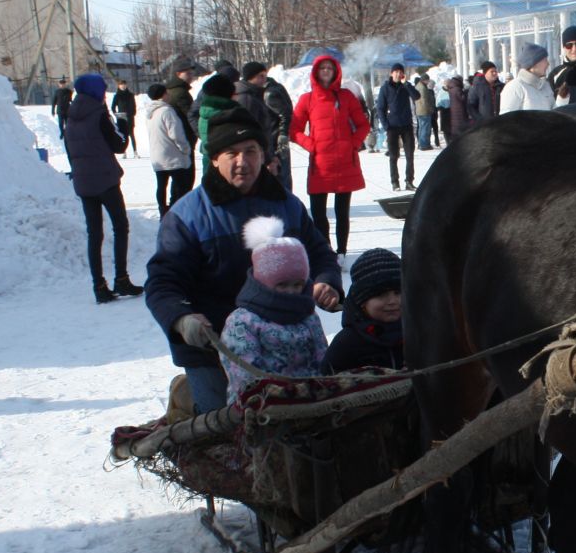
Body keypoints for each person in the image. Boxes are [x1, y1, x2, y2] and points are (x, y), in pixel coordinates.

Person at [146, 114, 342, 414]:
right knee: (225, 431)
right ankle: (187, 399)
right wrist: (180, 318)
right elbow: (163, 281)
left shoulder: (287, 205)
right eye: (231, 153)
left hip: (286, 340)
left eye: (251, 150)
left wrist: (326, 279)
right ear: (213, 160)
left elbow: (319, 252)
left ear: (263, 154)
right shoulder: (187, 216)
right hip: (212, 347)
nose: (243, 161)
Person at [219, 216, 330, 401]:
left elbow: (322, 358)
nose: (291, 292)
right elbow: (245, 377)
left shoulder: (307, 313)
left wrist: (327, 388)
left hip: (313, 403)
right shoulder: (243, 322)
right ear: (263, 281)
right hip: (263, 408)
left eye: (297, 284)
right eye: (282, 284)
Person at [62, 73, 140, 303]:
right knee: (120, 227)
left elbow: (70, 152)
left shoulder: (70, 117)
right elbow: (118, 145)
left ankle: (99, 285)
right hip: (106, 180)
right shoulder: (98, 114)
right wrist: (124, 125)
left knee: (94, 233)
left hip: (84, 182)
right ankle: (121, 279)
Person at [287, 54, 369, 255]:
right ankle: (325, 250)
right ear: (316, 72)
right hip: (320, 164)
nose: (325, 71)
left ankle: (342, 251)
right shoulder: (307, 99)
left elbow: (363, 124)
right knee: (318, 212)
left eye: (329, 68)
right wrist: (311, 144)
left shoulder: (346, 96)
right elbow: (294, 129)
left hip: (344, 161)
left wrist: (353, 143)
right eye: (322, 68)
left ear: (335, 72)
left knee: (342, 212)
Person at [325, 247, 404, 373]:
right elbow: (328, 382)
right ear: (362, 302)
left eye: (398, 292)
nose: (393, 301)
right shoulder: (346, 344)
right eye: (381, 294)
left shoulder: (417, 333)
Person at [138, 81, 195, 213]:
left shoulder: (149, 113)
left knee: (161, 185)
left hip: (157, 155)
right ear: (163, 95)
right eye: (166, 93)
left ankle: (162, 210)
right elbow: (176, 134)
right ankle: (176, 211)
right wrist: (185, 149)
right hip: (172, 156)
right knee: (179, 186)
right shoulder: (167, 111)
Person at [240, 61, 294, 184]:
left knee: (280, 177)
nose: (264, 78)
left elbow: (285, 114)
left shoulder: (269, 93)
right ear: (250, 78)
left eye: (264, 75)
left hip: (274, 142)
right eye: (260, 76)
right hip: (267, 143)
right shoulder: (254, 93)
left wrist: (283, 134)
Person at [376, 62, 418, 191]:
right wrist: (386, 125)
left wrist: (407, 84)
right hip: (392, 126)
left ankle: (409, 181)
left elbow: (417, 96)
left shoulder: (405, 86)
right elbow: (380, 108)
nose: (398, 74)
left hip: (406, 125)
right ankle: (395, 182)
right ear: (391, 73)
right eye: (396, 72)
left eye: (400, 72)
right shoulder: (385, 88)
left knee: (410, 155)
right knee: (394, 156)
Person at [162, 56, 202, 176]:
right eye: (188, 73)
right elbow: (190, 115)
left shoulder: (172, 90)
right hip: (184, 138)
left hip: (177, 139)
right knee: (186, 178)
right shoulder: (180, 93)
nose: (191, 76)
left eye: (192, 73)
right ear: (178, 74)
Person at [499, 42, 555, 114]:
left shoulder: (546, 86)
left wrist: (562, 99)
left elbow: (554, 116)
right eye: (545, 60)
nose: (548, 64)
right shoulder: (514, 87)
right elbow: (506, 121)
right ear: (534, 63)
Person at [467, 61, 501, 126]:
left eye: (496, 71)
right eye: (492, 71)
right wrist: (479, 119)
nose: (495, 73)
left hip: (499, 123)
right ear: (485, 73)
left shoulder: (500, 86)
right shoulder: (477, 86)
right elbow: (471, 106)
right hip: (484, 125)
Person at [111, 79, 138, 157]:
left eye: (124, 84)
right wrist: (116, 114)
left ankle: (135, 152)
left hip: (130, 117)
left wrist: (133, 113)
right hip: (121, 118)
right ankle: (124, 152)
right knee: (123, 135)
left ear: (126, 85)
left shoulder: (130, 95)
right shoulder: (117, 96)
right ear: (118, 86)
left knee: (131, 134)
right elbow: (113, 107)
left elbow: (134, 105)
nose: (123, 86)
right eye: (121, 85)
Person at [414, 74, 436, 151]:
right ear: (425, 80)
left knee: (421, 128)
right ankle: (424, 144)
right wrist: (430, 109)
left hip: (419, 110)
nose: (428, 81)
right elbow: (424, 100)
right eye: (428, 80)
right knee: (425, 128)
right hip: (424, 110)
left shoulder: (418, 86)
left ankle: (421, 143)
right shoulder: (422, 88)